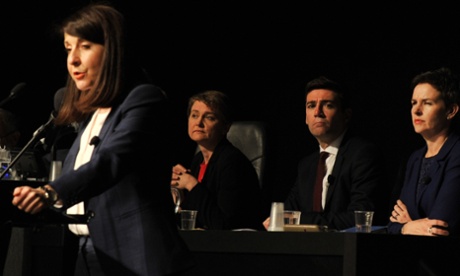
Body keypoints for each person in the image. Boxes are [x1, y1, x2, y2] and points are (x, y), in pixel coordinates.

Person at [11, 3, 194, 276]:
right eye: (68, 48)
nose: (73, 59)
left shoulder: (144, 99)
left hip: (137, 258)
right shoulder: (94, 114)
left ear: (112, 50)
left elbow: (110, 161)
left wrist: (50, 192)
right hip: (89, 252)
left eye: (84, 47)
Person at [263, 76, 388, 231]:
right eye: (311, 105)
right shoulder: (306, 165)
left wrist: (299, 219)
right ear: (306, 118)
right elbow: (287, 212)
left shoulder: (363, 155)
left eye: (327, 105)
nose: (317, 112)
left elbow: (360, 218)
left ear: (346, 115)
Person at [171, 90, 267, 230]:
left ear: (225, 127)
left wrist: (192, 185)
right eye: (194, 115)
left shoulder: (232, 162)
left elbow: (223, 224)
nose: (198, 122)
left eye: (209, 117)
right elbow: (196, 218)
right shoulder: (198, 161)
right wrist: (178, 195)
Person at [388, 67, 460, 237]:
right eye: (414, 103)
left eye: (427, 103)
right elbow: (392, 223)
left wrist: (407, 224)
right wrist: (406, 227)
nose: (416, 110)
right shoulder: (415, 159)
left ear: (450, 111)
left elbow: (440, 227)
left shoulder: (457, 153)